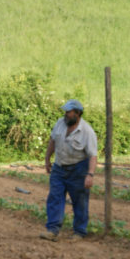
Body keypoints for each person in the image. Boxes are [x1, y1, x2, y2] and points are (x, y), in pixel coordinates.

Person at [40, 99, 97, 241]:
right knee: (55, 197)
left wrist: (90, 174)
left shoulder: (87, 132)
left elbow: (93, 155)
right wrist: (47, 159)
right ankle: (52, 230)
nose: (66, 114)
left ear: (77, 113)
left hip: (78, 169)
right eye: (65, 112)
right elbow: (52, 141)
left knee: (80, 201)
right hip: (59, 168)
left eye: (69, 112)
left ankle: (79, 231)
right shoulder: (60, 123)